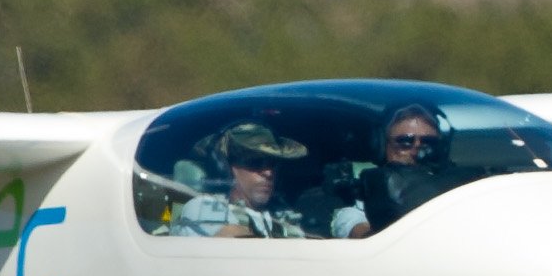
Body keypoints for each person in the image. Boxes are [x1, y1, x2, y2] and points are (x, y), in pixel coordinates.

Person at [171, 126, 316, 238]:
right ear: (225, 169)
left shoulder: (280, 214)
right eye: (256, 162)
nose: (268, 172)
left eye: (272, 163)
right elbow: (237, 246)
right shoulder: (204, 207)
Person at [340, 104, 452, 236]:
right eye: (405, 141)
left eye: (428, 142)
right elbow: (365, 235)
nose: (418, 152)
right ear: (382, 146)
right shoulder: (356, 211)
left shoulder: (458, 191)